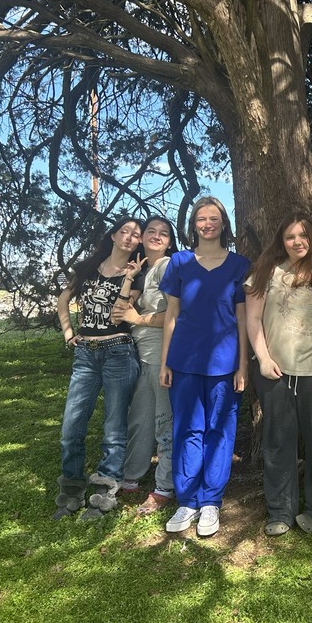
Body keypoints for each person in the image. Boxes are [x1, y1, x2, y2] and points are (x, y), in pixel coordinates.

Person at [246, 213, 312, 536]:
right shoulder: (267, 272)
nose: (297, 242)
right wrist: (261, 358)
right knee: (277, 442)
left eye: (303, 235)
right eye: (290, 237)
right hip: (275, 371)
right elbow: (253, 319)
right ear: (281, 241)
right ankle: (280, 511)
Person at [160, 197, 250, 538]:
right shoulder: (179, 263)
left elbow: (242, 319)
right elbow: (171, 315)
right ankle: (188, 500)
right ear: (194, 224)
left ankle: (211, 501)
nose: (207, 223)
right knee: (188, 429)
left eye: (214, 218)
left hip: (225, 364)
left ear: (223, 223)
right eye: (201, 218)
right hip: (184, 361)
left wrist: (243, 365)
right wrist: (166, 361)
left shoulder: (240, 265)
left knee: (219, 430)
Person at [54, 216, 144, 520]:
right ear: (114, 235)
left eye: (136, 235)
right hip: (86, 355)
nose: (130, 237)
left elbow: (119, 315)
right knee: (71, 426)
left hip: (118, 351)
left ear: (139, 243)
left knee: (114, 428)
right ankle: (71, 488)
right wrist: (69, 334)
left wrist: (130, 277)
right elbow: (63, 300)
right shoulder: (88, 268)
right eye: (125, 231)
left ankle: (103, 493)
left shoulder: (137, 275)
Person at [113, 215, 179, 515]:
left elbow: (178, 315)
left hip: (160, 355)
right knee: (140, 418)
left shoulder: (168, 267)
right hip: (139, 354)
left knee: (164, 420)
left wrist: (138, 319)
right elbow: (117, 312)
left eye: (163, 233)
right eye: (150, 231)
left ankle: (164, 486)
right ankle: (131, 477)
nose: (156, 236)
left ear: (170, 240)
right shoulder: (143, 271)